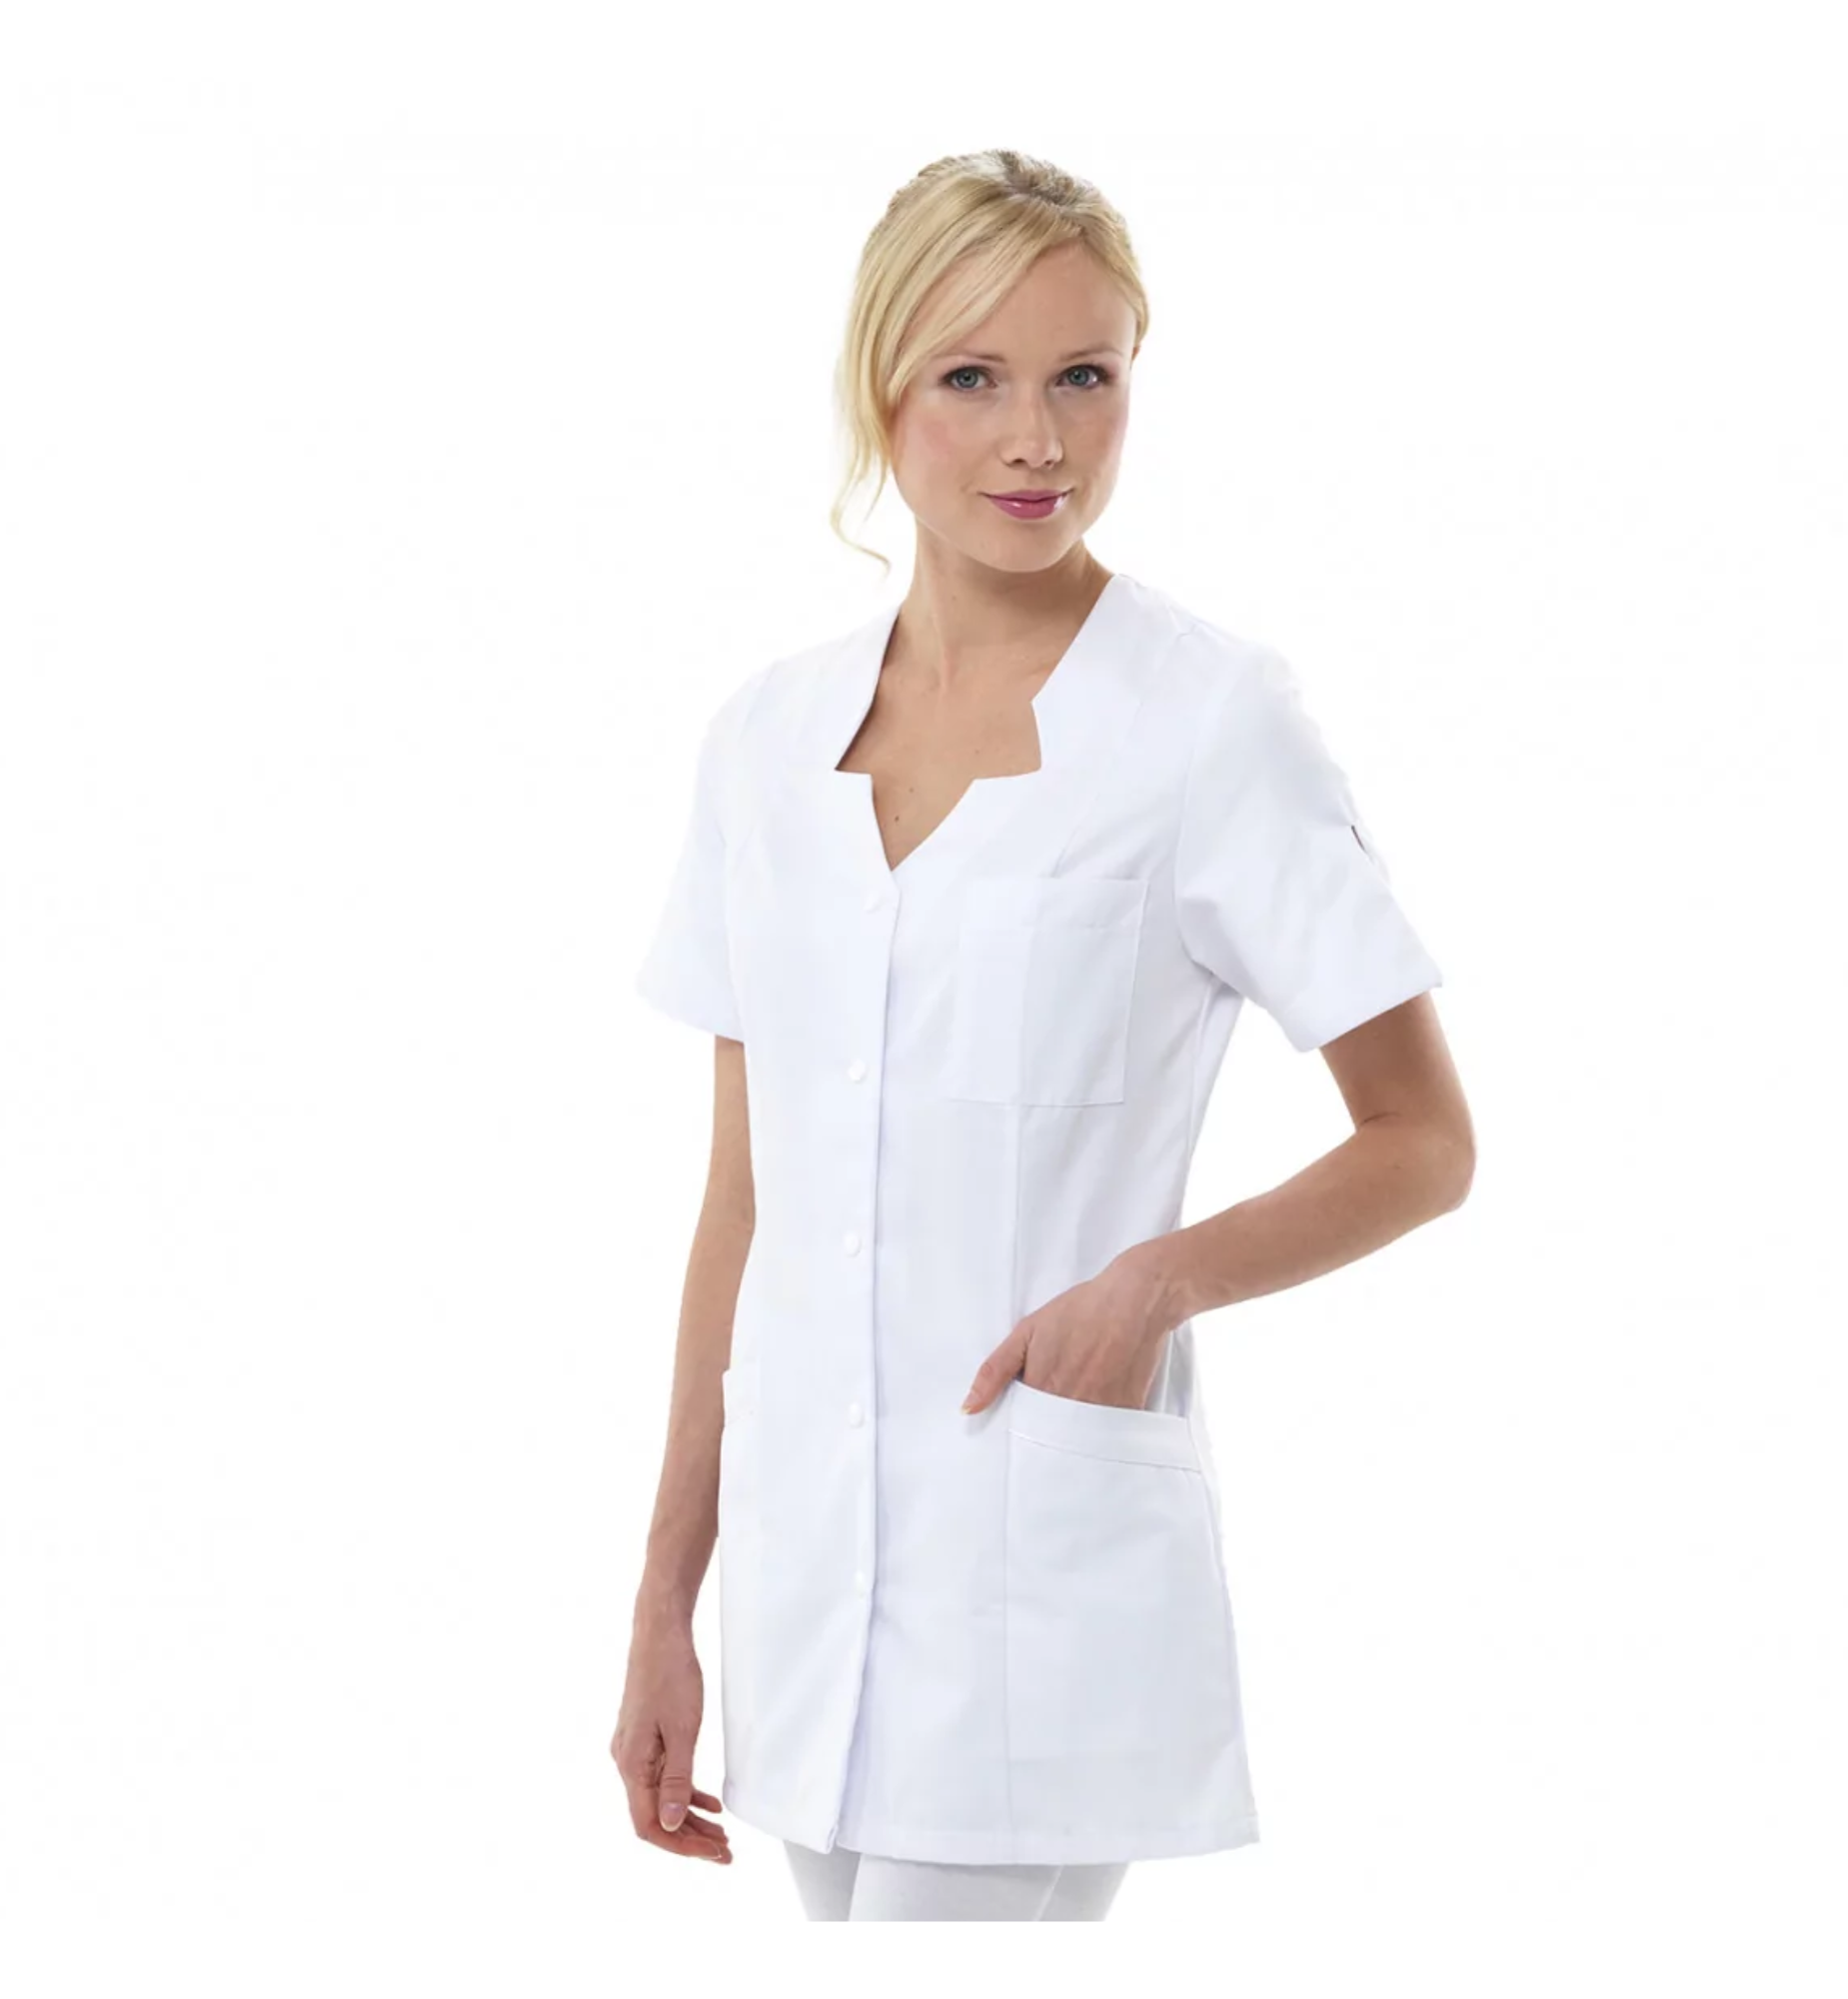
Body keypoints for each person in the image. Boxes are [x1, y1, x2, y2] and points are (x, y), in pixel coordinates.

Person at [610, 148, 1476, 1924]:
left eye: (1086, 374)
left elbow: (1424, 1141)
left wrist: (1156, 1283)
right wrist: (663, 1601)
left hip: (1038, 1585)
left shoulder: (1207, 721)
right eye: (973, 377)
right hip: (805, 1590)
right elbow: (742, 1208)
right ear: (880, 388)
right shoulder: (766, 743)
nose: (1038, 439)